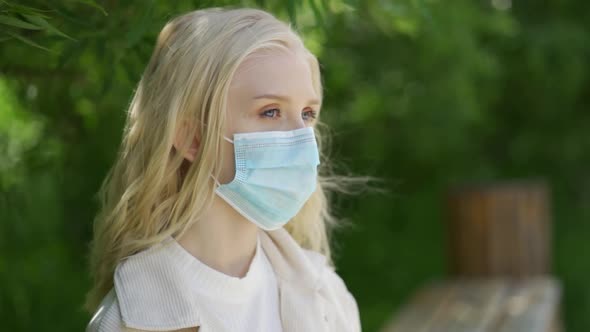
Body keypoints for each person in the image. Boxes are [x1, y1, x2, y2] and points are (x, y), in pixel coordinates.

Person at [84, 6, 362, 332]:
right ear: (192, 138)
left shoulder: (330, 299)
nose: (302, 138)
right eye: (270, 112)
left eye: (307, 114)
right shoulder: (126, 322)